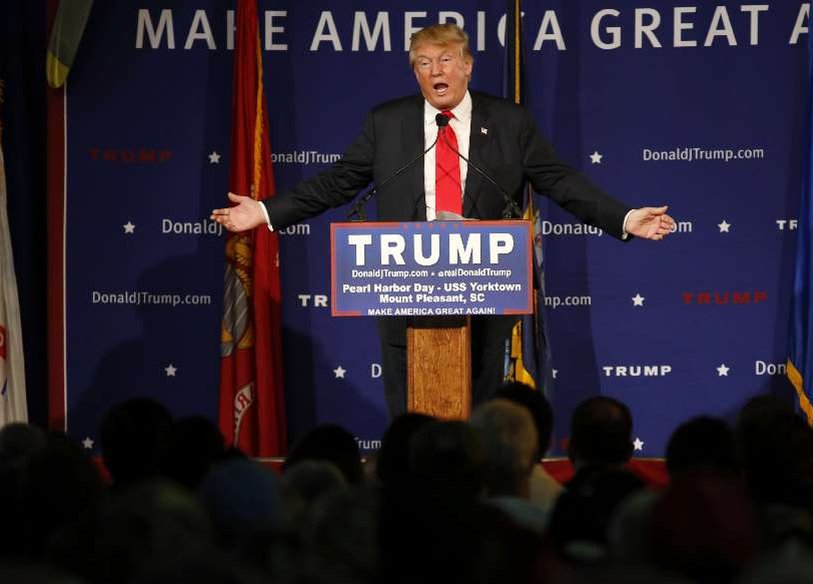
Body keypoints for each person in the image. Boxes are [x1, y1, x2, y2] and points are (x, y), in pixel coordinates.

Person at [211, 24, 677, 417]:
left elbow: (559, 181)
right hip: (405, 285)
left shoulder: (511, 123)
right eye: (424, 63)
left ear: (468, 65)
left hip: (485, 284)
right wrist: (266, 210)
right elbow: (337, 183)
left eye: (447, 59)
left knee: (480, 404)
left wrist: (626, 217)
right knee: (409, 407)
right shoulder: (387, 123)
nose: (437, 71)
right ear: (414, 72)